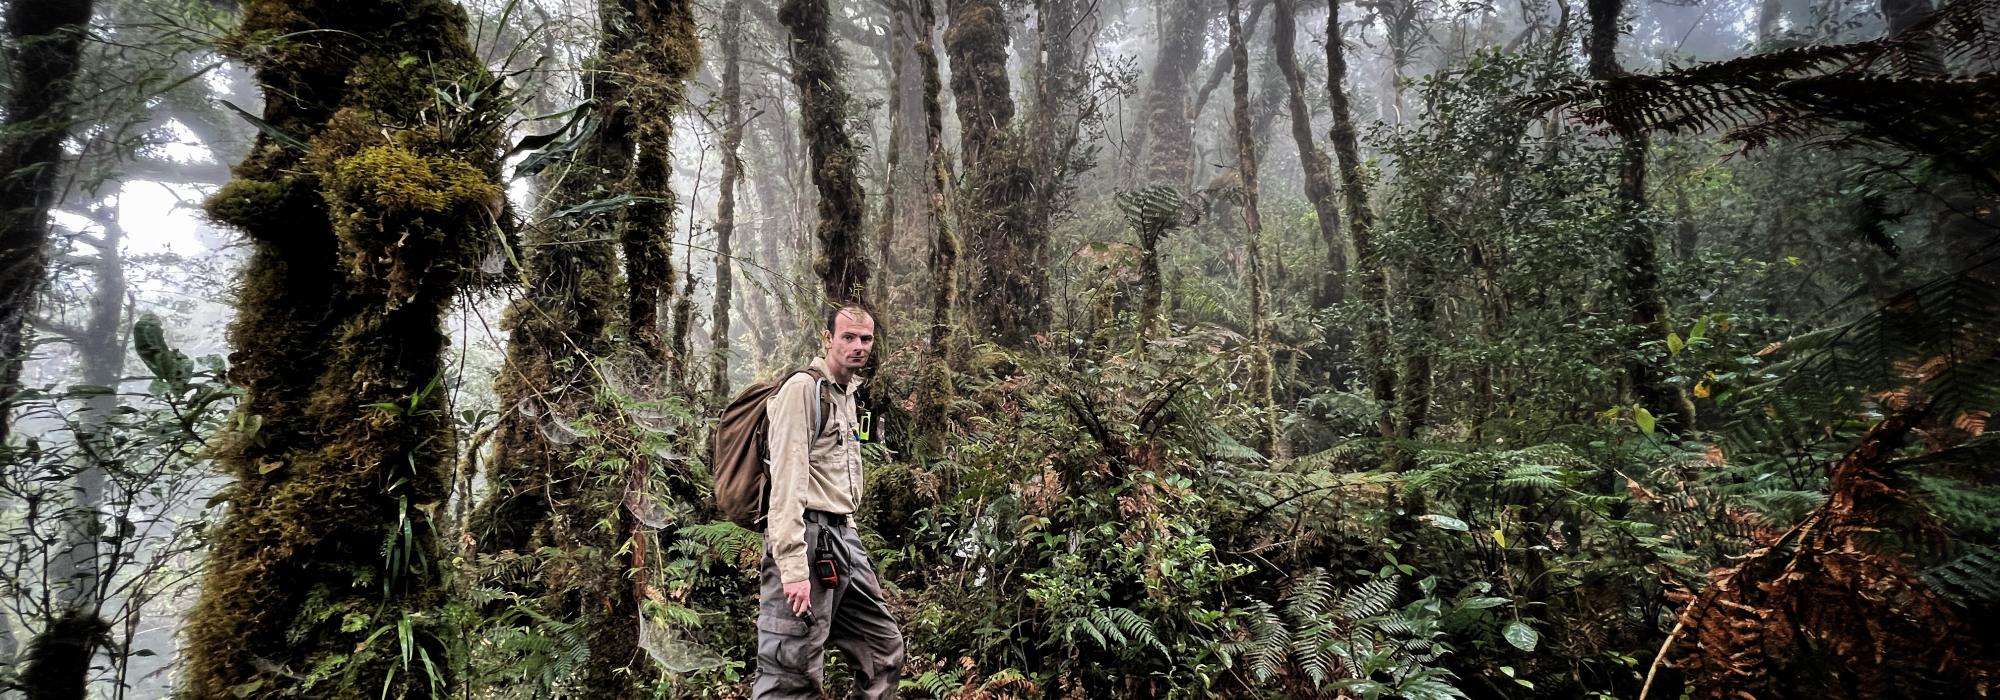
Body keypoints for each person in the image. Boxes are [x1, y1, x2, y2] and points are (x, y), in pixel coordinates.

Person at [754, 303, 905, 699]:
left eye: (866, 339)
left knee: (882, 650)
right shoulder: (802, 390)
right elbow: (786, 483)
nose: (859, 346)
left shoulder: (848, 395)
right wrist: (792, 567)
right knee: (791, 671)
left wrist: (849, 536)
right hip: (806, 538)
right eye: (848, 337)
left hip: (843, 537)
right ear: (828, 339)